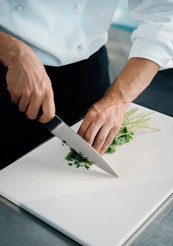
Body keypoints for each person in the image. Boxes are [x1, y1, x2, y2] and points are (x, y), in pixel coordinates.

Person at [0, 0, 173, 169]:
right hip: (6, 70)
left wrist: (118, 99)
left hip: (85, 77)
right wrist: (11, 50)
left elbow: (164, 15)